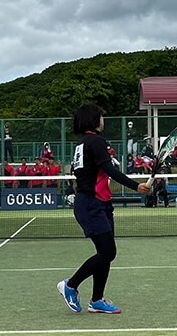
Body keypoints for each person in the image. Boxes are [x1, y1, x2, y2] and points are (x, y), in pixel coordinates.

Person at [57, 104, 150, 314]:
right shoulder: (95, 141)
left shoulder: (82, 144)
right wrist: (135, 186)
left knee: (104, 253)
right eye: (100, 116)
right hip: (91, 204)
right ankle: (70, 285)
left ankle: (97, 300)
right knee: (108, 252)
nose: (103, 120)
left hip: (99, 203)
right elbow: (108, 169)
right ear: (93, 120)